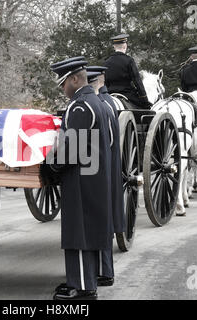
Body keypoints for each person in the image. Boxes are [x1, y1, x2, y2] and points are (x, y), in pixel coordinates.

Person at [48, 57, 114, 300]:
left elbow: (70, 150)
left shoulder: (79, 107)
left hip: (80, 178)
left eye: (63, 83)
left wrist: (51, 165)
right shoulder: (96, 102)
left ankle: (83, 287)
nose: (62, 89)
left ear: (74, 79)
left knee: (78, 231)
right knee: (89, 229)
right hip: (93, 175)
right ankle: (86, 280)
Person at [87, 66, 125, 287]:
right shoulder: (107, 103)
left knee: (101, 223)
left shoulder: (101, 104)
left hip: (100, 171)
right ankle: (104, 270)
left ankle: (104, 271)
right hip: (107, 168)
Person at [104, 34, 151, 109]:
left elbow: (104, 82)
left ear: (114, 47)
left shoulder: (106, 62)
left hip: (109, 95)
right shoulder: (129, 60)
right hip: (127, 94)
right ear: (125, 46)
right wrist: (144, 100)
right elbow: (137, 82)